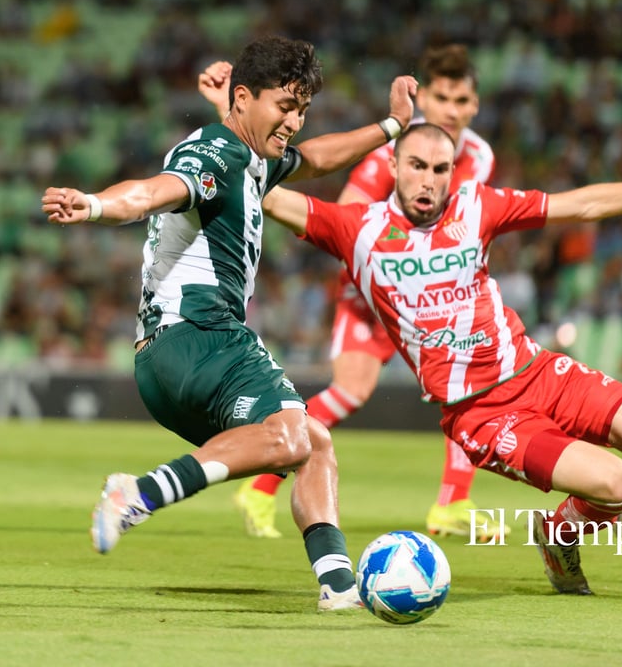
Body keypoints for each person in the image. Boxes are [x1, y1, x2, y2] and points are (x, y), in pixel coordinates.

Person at [259, 123, 622, 594]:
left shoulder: (476, 205)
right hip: (482, 414)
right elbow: (267, 193)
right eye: (417, 166)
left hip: (538, 372)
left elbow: (582, 204)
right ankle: (556, 535)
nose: (428, 180)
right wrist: (237, 124)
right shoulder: (355, 228)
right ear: (392, 166)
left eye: (440, 169)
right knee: (613, 486)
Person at [41, 35, 416, 611]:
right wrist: (93, 204)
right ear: (244, 98)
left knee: (313, 443)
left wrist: (392, 126)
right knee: (294, 435)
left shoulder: (253, 159)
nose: (294, 121)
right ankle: (136, 493)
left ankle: (338, 586)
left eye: (302, 110)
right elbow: (150, 192)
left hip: (165, 361)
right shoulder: (218, 152)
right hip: (202, 337)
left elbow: (317, 159)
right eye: (285, 107)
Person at [201, 44, 501, 541]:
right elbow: (351, 216)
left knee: (458, 384)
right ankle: (264, 482)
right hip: (376, 290)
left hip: (435, 290)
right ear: (424, 101)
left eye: (461, 100)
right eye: (441, 98)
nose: (450, 110)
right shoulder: (391, 153)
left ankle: (453, 502)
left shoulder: (480, 157)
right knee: (356, 391)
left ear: (474, 106)